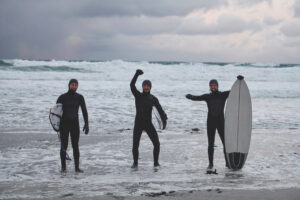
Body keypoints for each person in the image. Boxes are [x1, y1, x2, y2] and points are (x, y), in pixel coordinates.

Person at [185, 75, 244, 171]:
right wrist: (190, 96)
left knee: (225, 144)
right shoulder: (207, 97)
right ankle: (211, 164)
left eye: (214, 85)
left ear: (217, 86)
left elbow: (235, 91)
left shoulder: (223, 95)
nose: (213, 87)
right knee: (210, 144)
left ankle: (227, 163)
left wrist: (239, 81)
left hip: (221, 122)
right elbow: (197, 98)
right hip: (210, 122)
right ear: (209, 87)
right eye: (211, 85)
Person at [130, 69, 167, 169]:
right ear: (142, 86)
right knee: (135, 146)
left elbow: (160, 110)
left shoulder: (153, 98)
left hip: (148, 124)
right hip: (138, 123)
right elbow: (132, 85)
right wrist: (136, 74)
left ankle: (156, 163)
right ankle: (135, 163)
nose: (146, 87)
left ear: (150, 87)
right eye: (144, 85)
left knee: (157, 143)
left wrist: (165, 119)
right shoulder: (138, 96)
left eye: (148, 86)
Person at [57, 79, 89, 173]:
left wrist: (86, 124)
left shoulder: (80, 97)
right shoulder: (62, 97)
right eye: (73, 85)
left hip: (75, 124)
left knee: (75, 146)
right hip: (64, 125)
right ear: (69, 85)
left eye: (76, 85)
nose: (74, 87)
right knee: (64, 146)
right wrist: (56, 125)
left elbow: (84, 111)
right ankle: (63, 168)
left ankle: (77, 168)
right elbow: (56, 113)